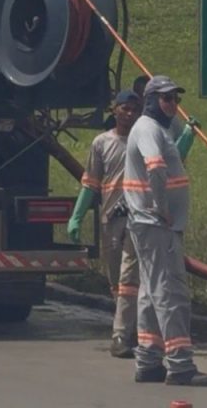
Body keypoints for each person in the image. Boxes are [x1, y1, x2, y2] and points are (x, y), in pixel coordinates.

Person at [124, 75, 207, 386]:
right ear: (151, 100)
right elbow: (156, 167)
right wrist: (162, 207)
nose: (173, 105)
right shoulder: (148, 128)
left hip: (152, 225)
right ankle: (180, 365)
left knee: (151, 293)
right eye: (166, 99)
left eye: (176, 99)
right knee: (171, 293)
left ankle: (148, 360)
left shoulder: (158, 128)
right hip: (157, 225)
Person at [68, 90, 143, 358]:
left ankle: (121, 336)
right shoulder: (102, 143)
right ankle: (128, 324)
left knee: (128, 277)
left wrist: (186, 139)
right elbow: (91, 183)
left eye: (135, 108)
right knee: (116, 280)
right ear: (115, 110)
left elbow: (171, 163)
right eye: (125, 108)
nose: (130, 113)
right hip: (111, 219)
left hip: (138, 219)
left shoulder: (145, 140)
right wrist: (77, 216)